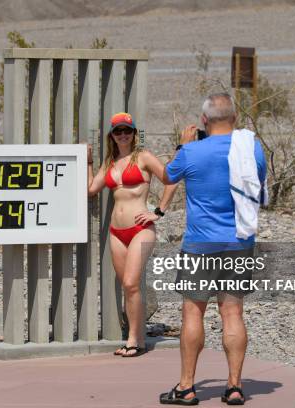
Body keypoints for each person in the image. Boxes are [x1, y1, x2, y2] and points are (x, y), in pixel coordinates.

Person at [158, 93, 267, 406]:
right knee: (232, 313)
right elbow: (258, 185)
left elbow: (167, 175)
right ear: (234, 119)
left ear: (204, 120)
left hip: (199, 245)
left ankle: (187, 386)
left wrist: (182, 145)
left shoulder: (191, 152)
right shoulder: (251, 149)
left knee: (193, 312)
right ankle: (234, 386)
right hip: (239, 241)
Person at [87, 112, 178, 357]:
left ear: (134, 133)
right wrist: (88, 163)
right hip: (116, 232)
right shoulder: (110, 162)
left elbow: (171, 178)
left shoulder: (144, 157)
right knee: (129, 288)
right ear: (112, 136)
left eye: (127, 130)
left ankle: (135, 341)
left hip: (141, 229)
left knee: (130, 282)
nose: (123, 135)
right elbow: (91, 190)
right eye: (118, 131)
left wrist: (158, 211)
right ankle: (135, 338)